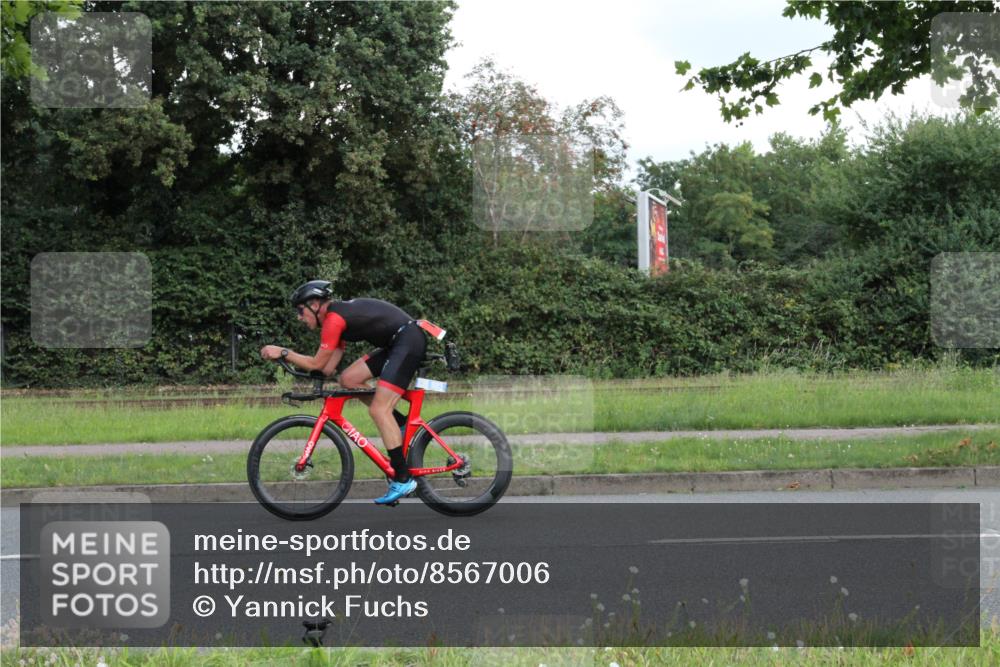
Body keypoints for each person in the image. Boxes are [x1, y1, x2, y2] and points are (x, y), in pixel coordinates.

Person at [259, 280, 433, 505]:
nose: (299, 317)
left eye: (300, 311)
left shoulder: (334, 319)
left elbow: (315, 363)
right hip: (398, 342)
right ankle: (400, 422)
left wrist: (283, 352)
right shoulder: (334, 320)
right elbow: (327, 367)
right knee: (349, 379)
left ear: (314, 305)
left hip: (407, 340)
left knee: (380, 411)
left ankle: (402, 478)